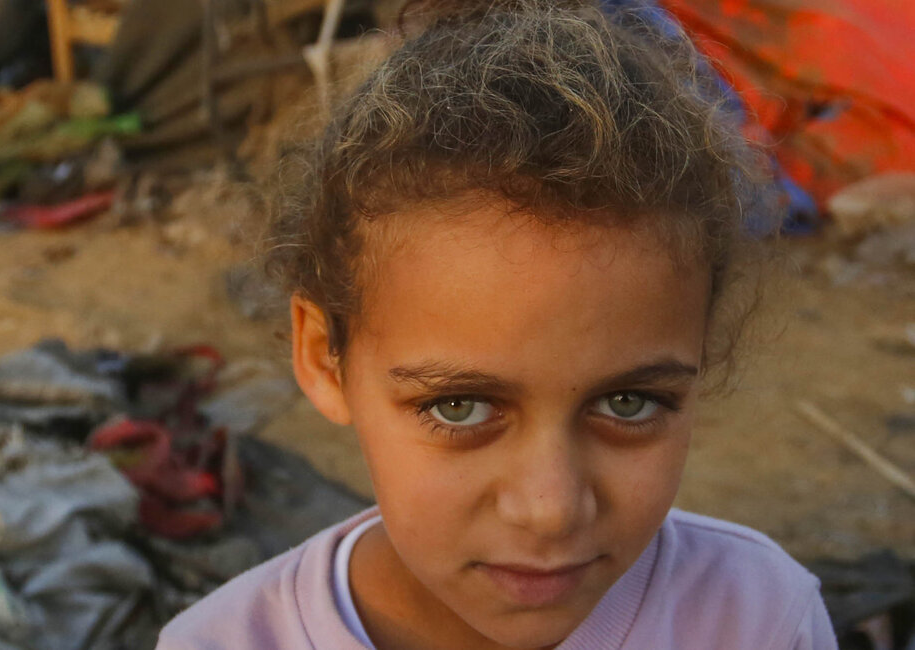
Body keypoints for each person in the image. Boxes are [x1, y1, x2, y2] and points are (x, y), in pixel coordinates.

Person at [156, 1, 837, 649]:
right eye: (459, 407)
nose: (551, 509)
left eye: (628, 404)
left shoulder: (759, 620)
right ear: (323, 357)